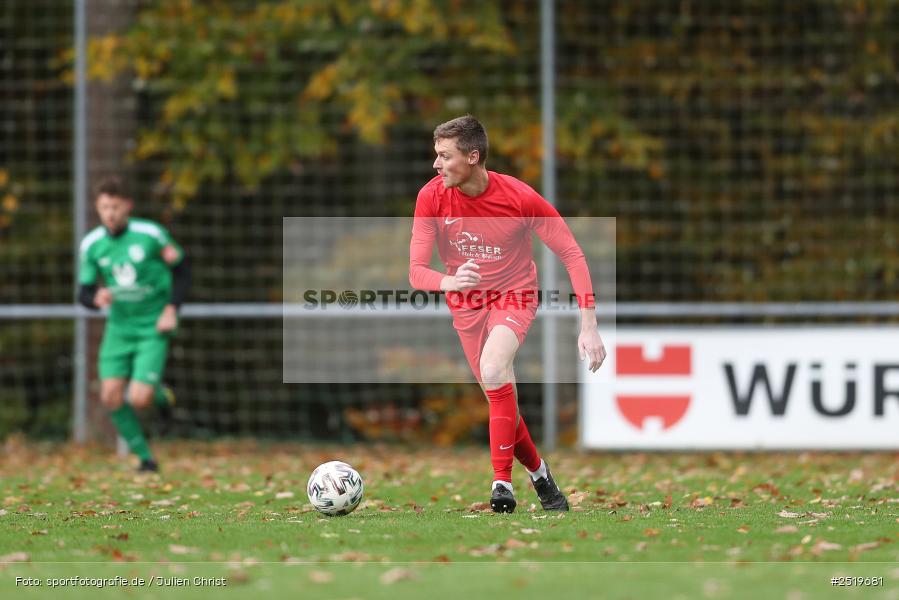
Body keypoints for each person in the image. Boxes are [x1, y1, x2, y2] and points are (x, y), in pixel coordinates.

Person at [409, 115, 606, 513]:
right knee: (502, 403)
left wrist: (589, 325)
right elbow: (416, 271)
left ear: (473, 156)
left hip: (515, 295)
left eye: (445, 156)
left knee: (494, 369)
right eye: (436, 155)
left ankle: (501, 484)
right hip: (466, 307)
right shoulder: (431, 197)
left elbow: (572, 253)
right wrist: (449, 282)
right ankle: (540, 474)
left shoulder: (518, 197)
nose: (436, 164)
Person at [78, 175, 191, 472]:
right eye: (104, 207)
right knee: (110, 396)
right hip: (119, 327)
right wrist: (96, 298)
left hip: (153, 325)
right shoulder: (91, 244)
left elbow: (182, 270)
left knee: (139, 399)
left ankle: (160, 394)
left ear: (128, 206)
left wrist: (171, 309)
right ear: (97, 208)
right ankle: (145, 458)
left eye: (115, 207)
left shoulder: (151, 234)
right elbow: (84, 293)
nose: (110, 214)